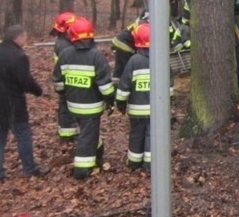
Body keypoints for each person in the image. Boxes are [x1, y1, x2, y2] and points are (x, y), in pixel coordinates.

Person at [53, 17, 115, 179]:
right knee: (87, 135)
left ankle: (98, 152)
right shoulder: (96, 56)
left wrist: (64, 94)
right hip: (92, 106)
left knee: (89, 132)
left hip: (72, 104)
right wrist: (111, 101)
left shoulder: (65, 54)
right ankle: (82, 169)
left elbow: (58, 82)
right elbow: (105, 87)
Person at [115, 23, 172, 173]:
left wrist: (120, 103)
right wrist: (168, 102)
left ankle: (134, 162)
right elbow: (170, 85)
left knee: (136, 134)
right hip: (156, 109)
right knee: (151, 135)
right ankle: (150, 165)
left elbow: (124, 84)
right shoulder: (162, 60)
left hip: (136, 109)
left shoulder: (134, 61)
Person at [0, 25, 49, 180]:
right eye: (25, 38)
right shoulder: (19, 56)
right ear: (18, 38)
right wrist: (39, 91)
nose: (26, 41)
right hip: (13, 102)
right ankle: (30, 167)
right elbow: (25, 81)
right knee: (23, 134)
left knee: (0, 137)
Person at [50, 11, 79, 140]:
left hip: (66, 77)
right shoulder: (64, 45)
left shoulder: (64, 41)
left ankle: (68, 131)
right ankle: (67, 134)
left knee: (66, 105)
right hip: (66, 78)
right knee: (66, 106)